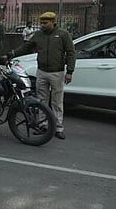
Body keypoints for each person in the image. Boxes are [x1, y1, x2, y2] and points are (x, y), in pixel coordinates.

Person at [11, 11, 76, 140]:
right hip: (41, 72)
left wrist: (70, 71)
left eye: (45, 23)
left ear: (53, 22)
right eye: (41, 23)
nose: (42, 25)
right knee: (41, 100)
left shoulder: (63, 34)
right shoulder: (38, 35)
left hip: (57, 72)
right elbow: (26, 47)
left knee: (57, 101)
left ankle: (58, 127)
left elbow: (71, 53)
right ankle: (43, 125)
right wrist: (12, 53)